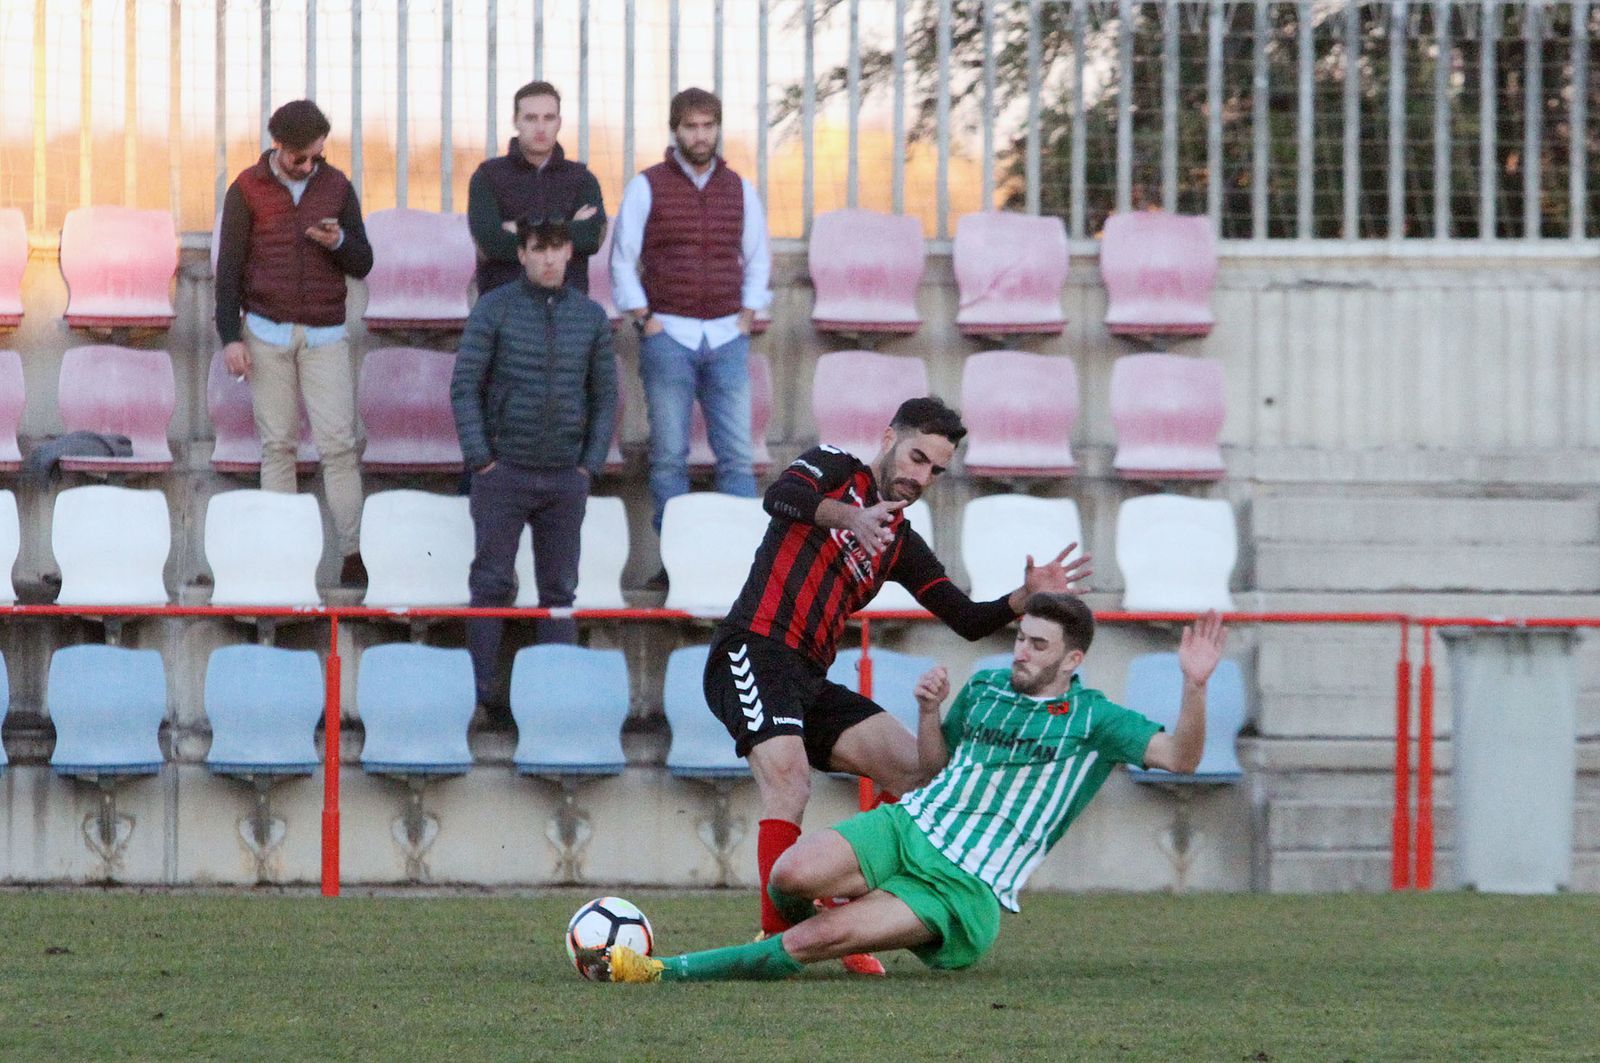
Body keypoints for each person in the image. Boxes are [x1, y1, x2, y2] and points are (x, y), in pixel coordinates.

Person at [588, 597, 1229, 983]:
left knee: (811, 942)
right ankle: (829, 930)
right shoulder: (984, 690)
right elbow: (932, 768)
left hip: (963, 884)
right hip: (909, 827)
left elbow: (1182, 758)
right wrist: (927, 712)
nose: (1021, 653)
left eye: (1038, 645)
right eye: (1020, 640)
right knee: (788, 875)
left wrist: (1195, 686)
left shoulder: (1097, 720)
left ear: (1073, 661)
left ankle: (662, 969)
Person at [701, 396, 1090, 975]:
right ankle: (778, 937)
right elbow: (779, 498)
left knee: (921, 770)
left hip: (809, 678)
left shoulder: (901, 542)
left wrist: (1022, 598)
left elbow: (964, 618)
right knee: (789, 779)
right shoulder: (834, 467)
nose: (921, 476)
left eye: (935, 469)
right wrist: (849, 517)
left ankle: (843, 905)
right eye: (916, 457)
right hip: (751, 649)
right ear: (888, 438)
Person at [450, 217, 617, 716]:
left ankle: (555, 706)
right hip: (505, 475)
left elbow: (605, 396)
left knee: (559, 589)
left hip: (565, 477)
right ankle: (478, 698)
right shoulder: (493, 309)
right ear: (521, 254)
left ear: (570, 252)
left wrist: (587, 466)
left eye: (557, 248)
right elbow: (464, 387)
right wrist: (483, 461)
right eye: (538, 249)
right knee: (491, 584)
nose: (549, 258)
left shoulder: (589, 317)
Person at [215, 99, 373, 587]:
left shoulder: (337, 186)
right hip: (265, 331)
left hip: (325, 333)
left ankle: (352, 555)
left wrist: (339, 242)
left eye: (316, 157)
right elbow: (229, 268)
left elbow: (363, 262)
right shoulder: (246, 189)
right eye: (300, 158)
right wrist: (229, 336)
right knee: (277, 446)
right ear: (277, 146)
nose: (309, 166)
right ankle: (281, 557)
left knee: (339, 447)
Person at [610, 86, 771, 544]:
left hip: (727, 337)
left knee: (738, 457)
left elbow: (758, 257)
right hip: (669, 335)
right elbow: (623, 258)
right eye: (691, 126)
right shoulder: (647, 185)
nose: (700, 135)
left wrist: (745, 317)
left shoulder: (740, 188)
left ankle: (741, 565)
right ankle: (675, 563)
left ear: (717, 129)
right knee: (668, 458)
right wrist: (645, 319)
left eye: (707, 126)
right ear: (675, 130)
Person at [467, 80, 606, 297]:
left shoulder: (582, 179)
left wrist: (520, 231)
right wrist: (569, 228)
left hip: (568, 308)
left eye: (549, 118)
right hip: (503, 308)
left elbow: (591, 238)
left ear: (559, 122)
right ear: (516, 121)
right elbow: (490, 243)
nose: (540, 128)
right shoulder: (487, 177)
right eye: (531, 118)